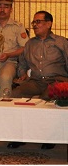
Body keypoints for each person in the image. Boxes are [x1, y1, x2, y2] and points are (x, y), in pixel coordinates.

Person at [8, 10, 68, 149]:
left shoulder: (61, 42)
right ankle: (19, 135)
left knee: (46, 98)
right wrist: (22, 74)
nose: (34, 25)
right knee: (14, 96)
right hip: (35, 81)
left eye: (38, 22)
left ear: (49, 24)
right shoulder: (29, 44)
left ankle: (49, 136)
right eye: (33, 22)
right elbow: (22, 63)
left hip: (56, 81)